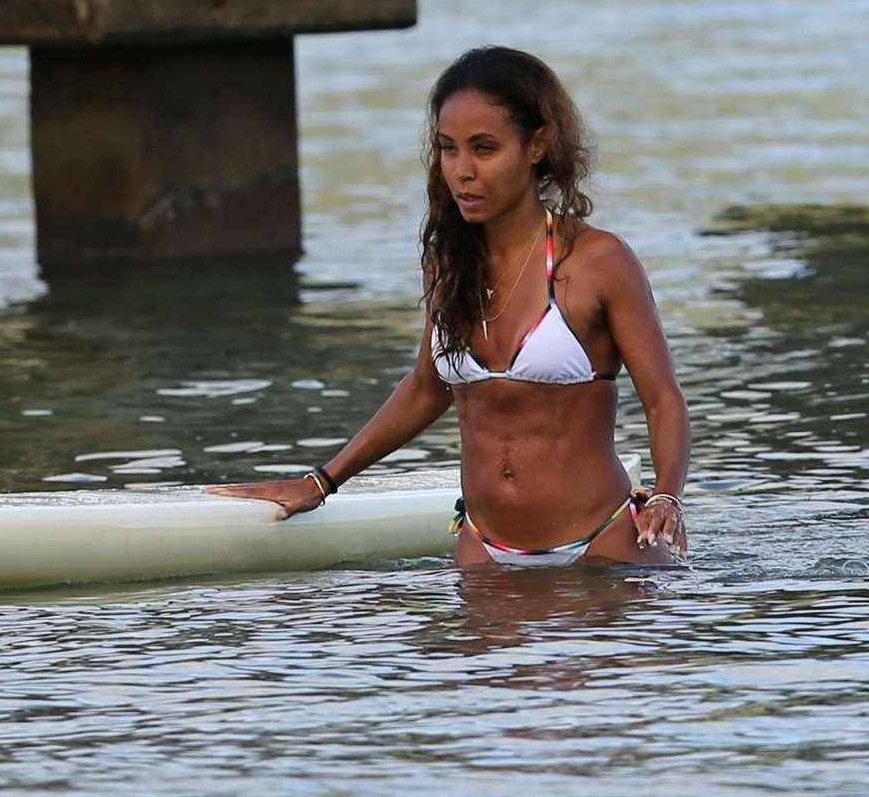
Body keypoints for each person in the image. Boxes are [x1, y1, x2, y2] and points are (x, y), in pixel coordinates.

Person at [210, 46, 689, 566]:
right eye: (448, 148)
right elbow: (425, 389)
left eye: (484, 149)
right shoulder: (449, 262)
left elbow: (663, 399)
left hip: (601, 548)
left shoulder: (598, 261)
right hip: (483, 549)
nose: (462, 171)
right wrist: (321, 481)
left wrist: (666, 495)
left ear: (537, 145)